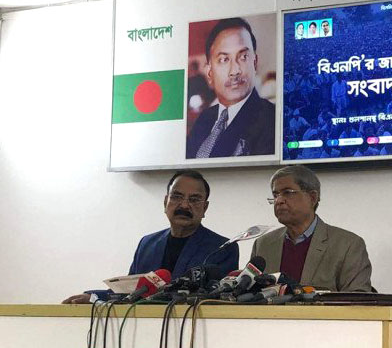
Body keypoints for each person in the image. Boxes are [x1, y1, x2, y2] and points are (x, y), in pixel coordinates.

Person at [62, 170, 239, 304]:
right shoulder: (147, 244)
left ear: (205, 208)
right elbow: (131, 292)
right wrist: (94, 297)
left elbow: (219, 299)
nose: (184, 205)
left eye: (194, 199)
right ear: (165, 202)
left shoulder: (222, 248)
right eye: (177, 196)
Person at [251, 165, 372, 292]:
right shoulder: (263, 245)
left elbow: (358, 298)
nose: (279, 201)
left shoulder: (348, 245)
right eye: (275, 195)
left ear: (312, 198)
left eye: (287, 193)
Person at [186, 17, 275, 158]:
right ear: (209, 72)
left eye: (243, 57)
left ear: (255, 63)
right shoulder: (204, 119)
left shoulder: (272, 119)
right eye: (224, 59)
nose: (235, 71)